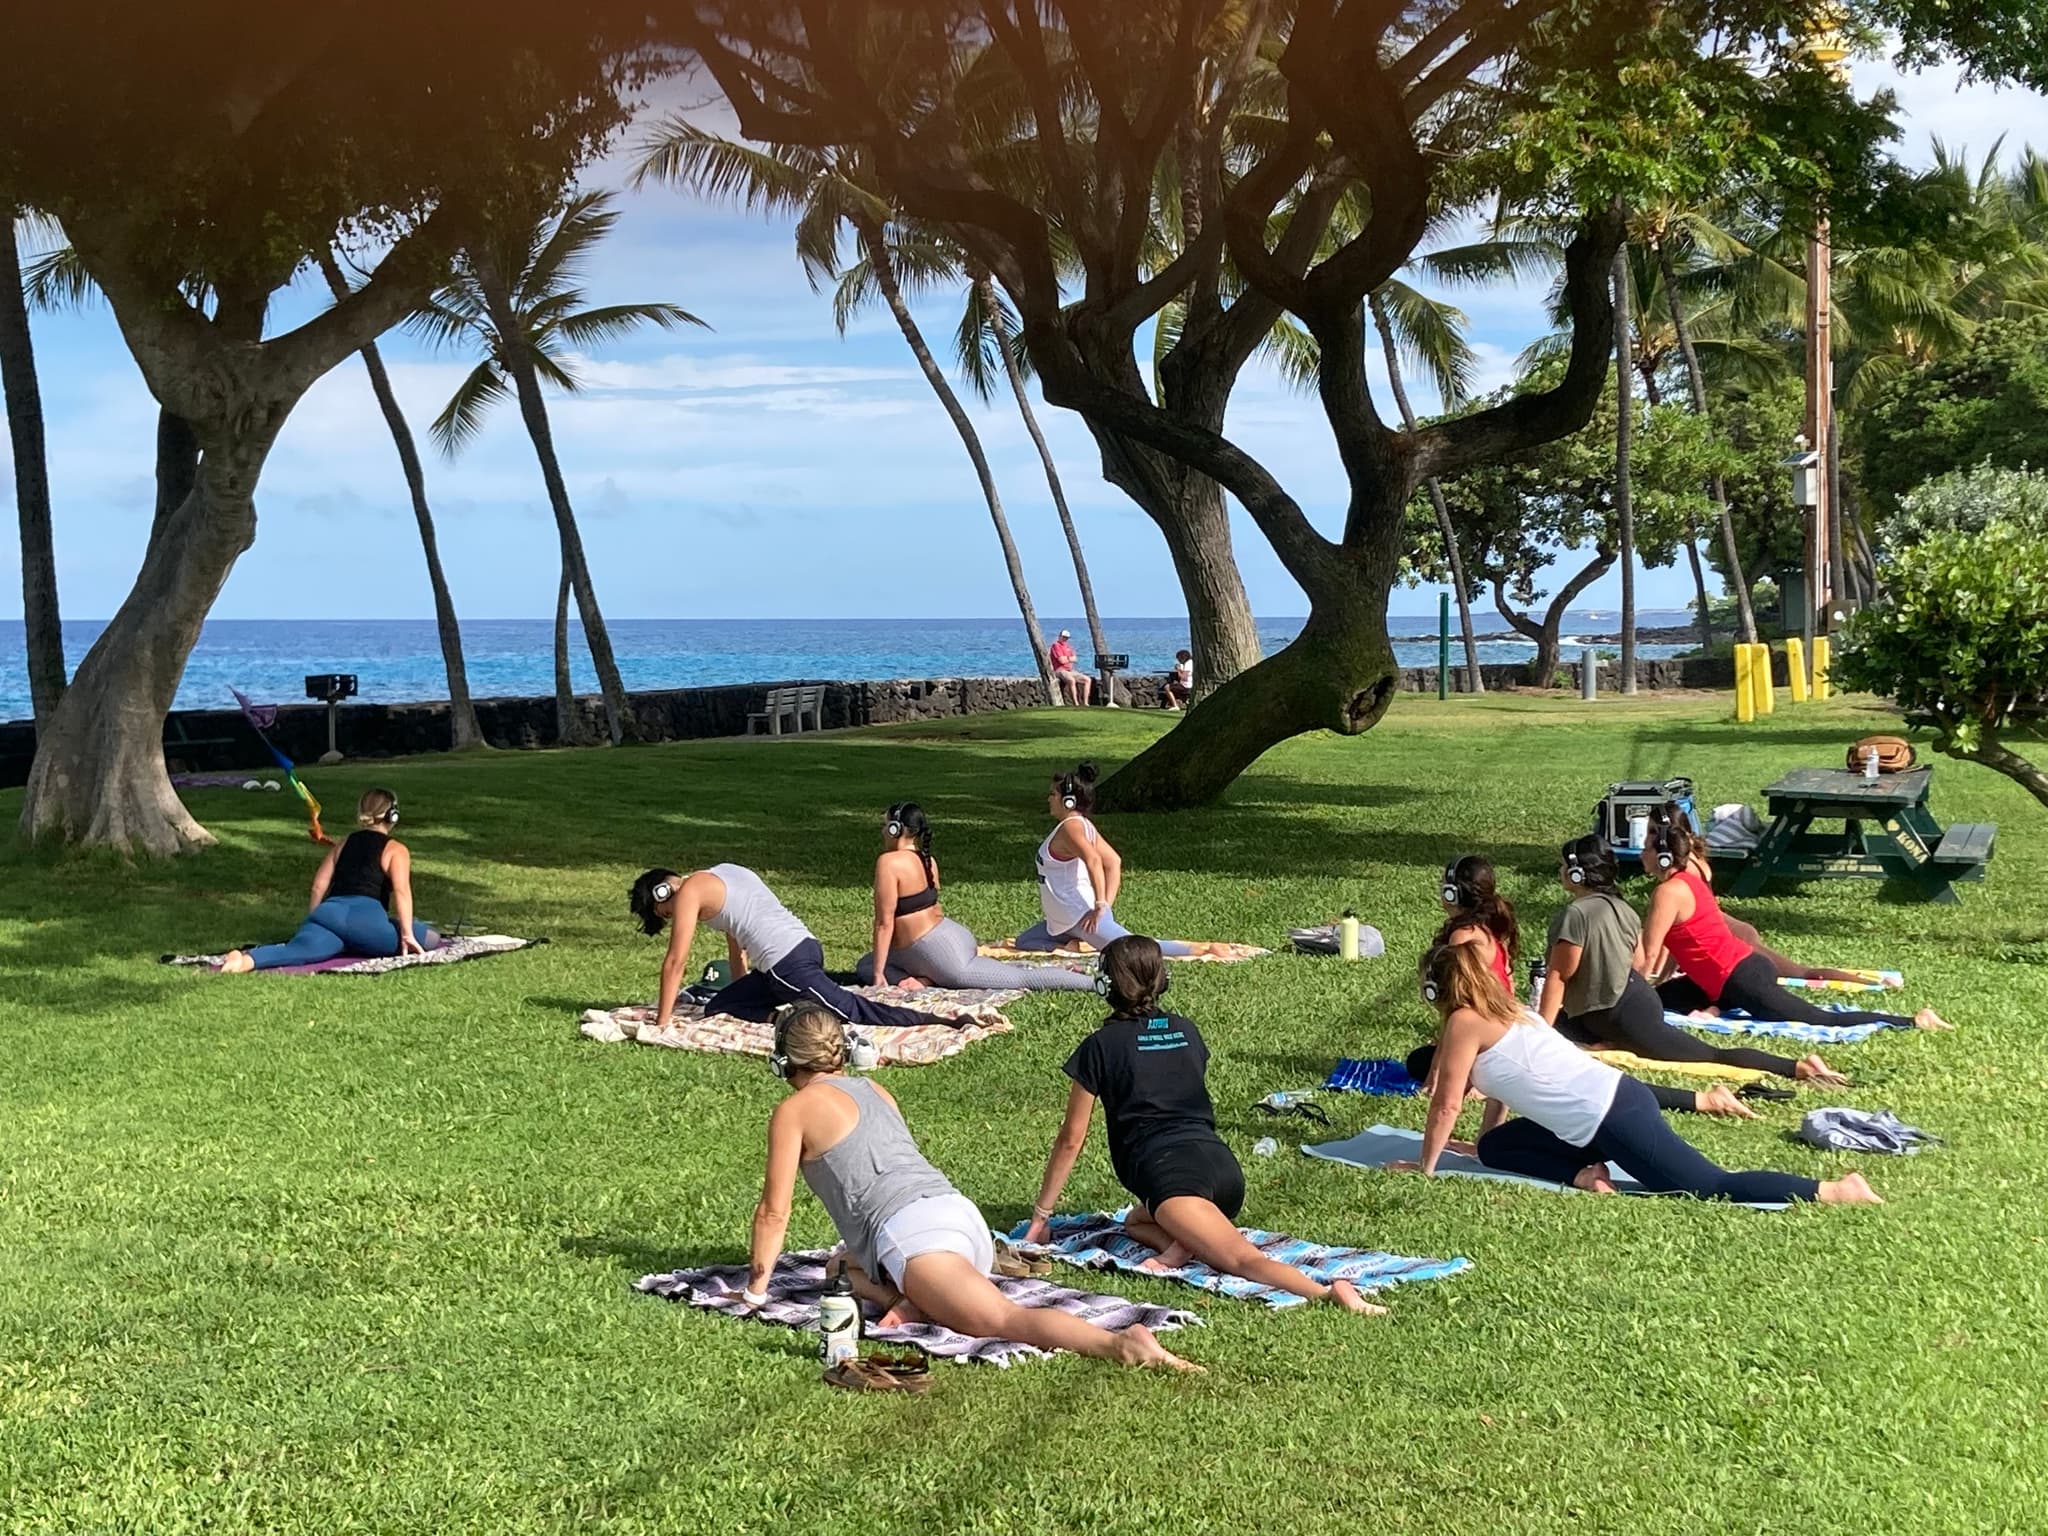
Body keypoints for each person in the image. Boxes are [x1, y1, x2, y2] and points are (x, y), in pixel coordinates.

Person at [741, 1004, 1197, 1372]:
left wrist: (754, 1295)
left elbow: (773, 1213)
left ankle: (1120, 1344)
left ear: (783, 1060)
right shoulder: (876, 1090)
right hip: (958, 1218)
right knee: (839, 1267)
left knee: (1004, 1320)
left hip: (915, 1239)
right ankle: (908, 1300)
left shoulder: (794, 1110)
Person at [1023, 937, 1383, 1312]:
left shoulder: (1099, 1046)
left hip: (1174, 1180)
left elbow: (1071, 1139)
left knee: (1245, 1261)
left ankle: (1327, 1293)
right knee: (1135, 1222)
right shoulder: (1186, 1029)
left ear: (1106, 984)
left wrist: (1041, 1218)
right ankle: (1178, 1248)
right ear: (1162, 979)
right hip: (1222, 1171)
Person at [1407, 944, 1881, 1204]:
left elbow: (1447, 1102)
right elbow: (1501, 1084)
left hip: (1612, 1114)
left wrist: (1425, 1168)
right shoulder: (1508, 1011)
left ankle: (1834, 1190)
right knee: (1496, 1147)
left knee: (1708, 1185)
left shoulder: (1463, 1022)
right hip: (1599, 1114)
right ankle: (1583, 1174)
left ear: (1438, 991)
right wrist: (1481, 1139)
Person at [1539, 834, 1847, 1085]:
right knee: (1561, 1025)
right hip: (1630, 1002)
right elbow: (1636, 962)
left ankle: (1799, 1067)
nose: (1559, 872)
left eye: (1563, 866)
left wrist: (1539, 1032)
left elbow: (1558, 977)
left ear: (1577, 873)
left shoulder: (1575, 915)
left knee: (1709, 1055)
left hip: (1623, 1013)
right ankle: (1610, 1041)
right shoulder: (1623, 908)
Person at [1639, 820, 1949, 1031]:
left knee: (1815, 1018)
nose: (1641, 854)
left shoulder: (1667, 892)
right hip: (1729, 974)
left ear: (1663, 858)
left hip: (1742, 977)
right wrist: (1654, 985)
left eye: (1646, 848)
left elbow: (1651, 954)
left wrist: (1630, 988)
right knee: (1661, 1000)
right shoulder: (1685, 880)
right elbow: (1676, 947)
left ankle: (1912, 1020)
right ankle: (1715, 1007)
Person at [629, 864, 941, 1031]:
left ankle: (934, 1021)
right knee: (718, 1005)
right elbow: (737, 950)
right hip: (799, 951)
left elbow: (675, 962)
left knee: (850, 1010)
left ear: (664, 892)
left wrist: (662, 1020)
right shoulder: (722, 873)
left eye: (667, 913)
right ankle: (783, 1017)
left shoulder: (690, 892)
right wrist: (744, 992)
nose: (674, 916)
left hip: (786, 964)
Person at [854, 802, 1094, 992]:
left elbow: (884, 923)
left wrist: (878, 977)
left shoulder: (888, 862)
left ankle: (1095, 984)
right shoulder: (927, 860)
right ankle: (926, 977)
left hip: (940, 953)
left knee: (1022, 978)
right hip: (947, 938)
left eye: (886, 825)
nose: (882, 830)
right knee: (866, 964)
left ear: (896, 829)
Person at [1647, 803, 1889, 988]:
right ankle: (1868, 982)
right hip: (1731, 929)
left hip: (1734, 936)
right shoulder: (1694, 856)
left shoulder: (1683, 870)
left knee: (1803, 973)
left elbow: (1674, 936)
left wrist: (1657, 977)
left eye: (1652, 832)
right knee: (1800, 972)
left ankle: (1872, 984)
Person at [1013, 763, 1232, 957]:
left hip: (1080, 917)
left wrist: (1101, 906)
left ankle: (1202, 950)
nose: (1048, 799)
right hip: (1061, 923)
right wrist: (1105, 905)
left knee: (1131, 948)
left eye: (1052, 794)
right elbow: (1114, 861)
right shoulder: (1079, 825)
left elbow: (1096, 861)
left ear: (1068, 801)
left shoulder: (1072, 827)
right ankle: (1074, 945)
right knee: (1026, 941)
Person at [220, 788, 439, 972]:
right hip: (366, 922)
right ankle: (368, 937)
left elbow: (318, 886)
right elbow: (402, 892)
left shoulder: (343, 843)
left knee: (299, 950)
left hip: (328, 914)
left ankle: (245, 961)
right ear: (393, 816)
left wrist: (314, 918)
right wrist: (408, 934)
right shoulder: (396, 849)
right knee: (429, 937)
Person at [1435, 854, 1518, 997]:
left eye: (1442, 883)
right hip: (1504, 1012)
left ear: (1451, 893)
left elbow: (1460, 992)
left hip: (1485, 1015)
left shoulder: (1464, 936)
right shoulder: (1491, 924)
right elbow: (1509, 983)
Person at [1049, 629, 1093, 707]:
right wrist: (1069, 658)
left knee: (1087, 679)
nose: (1064, 639)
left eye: (1066, 638)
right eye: (1063, 637)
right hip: (1060, 670)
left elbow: (1075, 659)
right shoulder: (1055, 646)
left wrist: (1067, 658)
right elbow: (1061, 661)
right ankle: (1076, 703)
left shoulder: (1068, 646)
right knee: (1071, 680)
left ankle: (1085, 703)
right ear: (1059, 637)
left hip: (1069, 670)